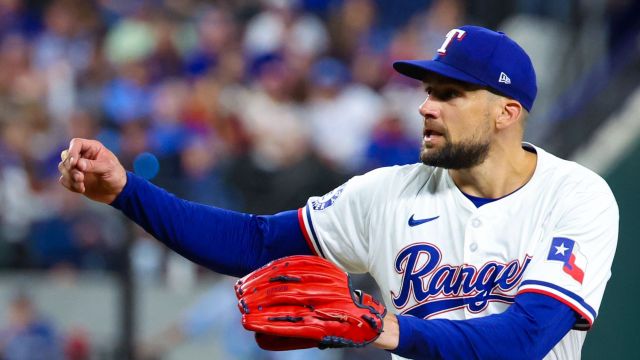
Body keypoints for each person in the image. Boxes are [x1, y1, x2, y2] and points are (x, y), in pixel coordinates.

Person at [58, 25, 619, 359]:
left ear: (507, 112)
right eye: (428, 90)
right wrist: (126, 190)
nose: (425, 106)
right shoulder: (387, 194)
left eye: (450, 94)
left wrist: (387, 326)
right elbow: (254, 243)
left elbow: (525, 337)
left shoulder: (575, 197)